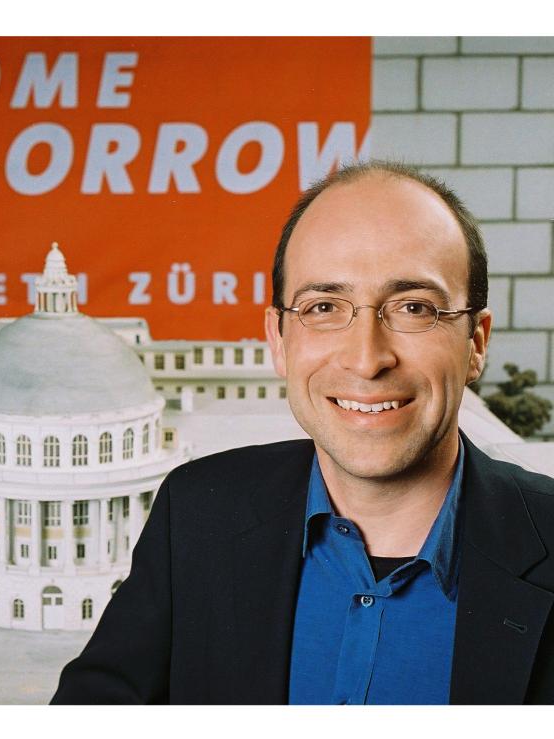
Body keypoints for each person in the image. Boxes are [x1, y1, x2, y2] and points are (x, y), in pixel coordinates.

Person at [50, 160, 554, 705]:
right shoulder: (196, 514)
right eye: (324, 307)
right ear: (280, 340)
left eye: (414, 308)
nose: (367, 359)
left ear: (476, 342)